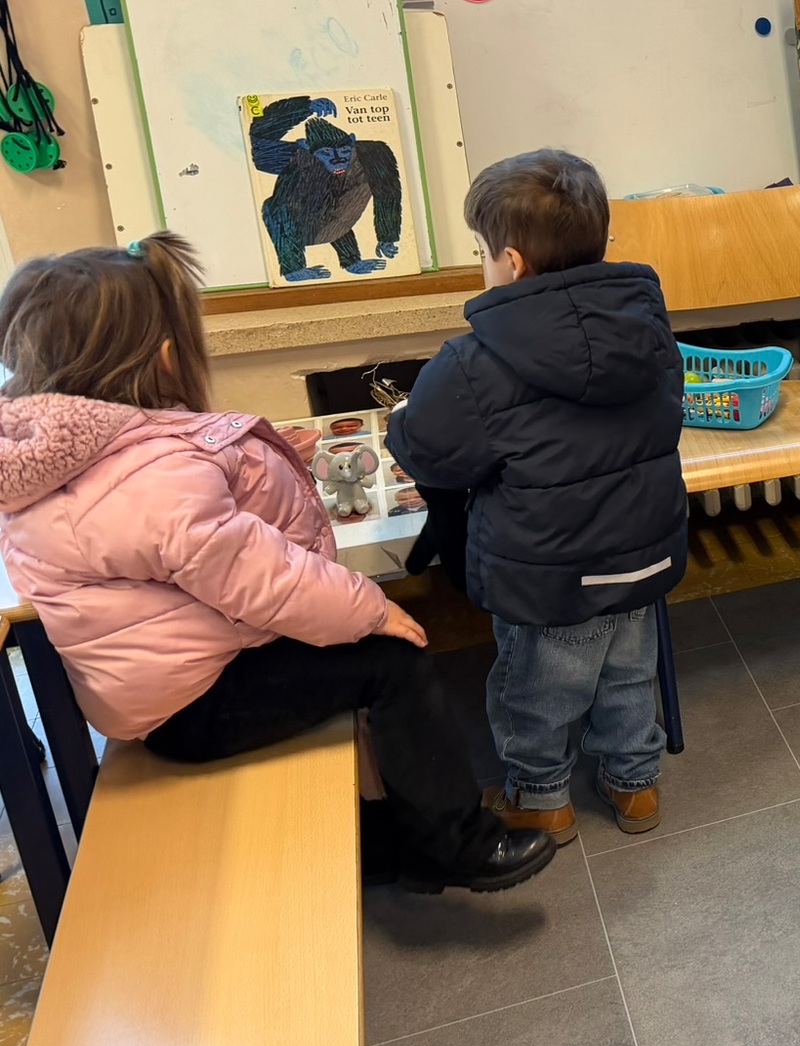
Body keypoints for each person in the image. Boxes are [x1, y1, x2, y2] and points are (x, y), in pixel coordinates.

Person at [0, 235, 550, 892]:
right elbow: (261, 580)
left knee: (354, 655)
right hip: (194, 703)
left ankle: (389, 843)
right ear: (167, 356)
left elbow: (203, 550)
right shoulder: (150, 471)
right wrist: (371, 609)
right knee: (393, 662)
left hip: (173, 680)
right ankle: (458, 845)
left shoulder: (63, 459)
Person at [387, 151, 688, 844]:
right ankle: (635, 784)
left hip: (548, 573)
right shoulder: (646, 327)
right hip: (643, 554)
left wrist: (404, 419)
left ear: (512, 263)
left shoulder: (475, 360)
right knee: (627, 675)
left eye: (482, 252)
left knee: (538, 690)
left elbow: (429, 452)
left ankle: (542, 798)